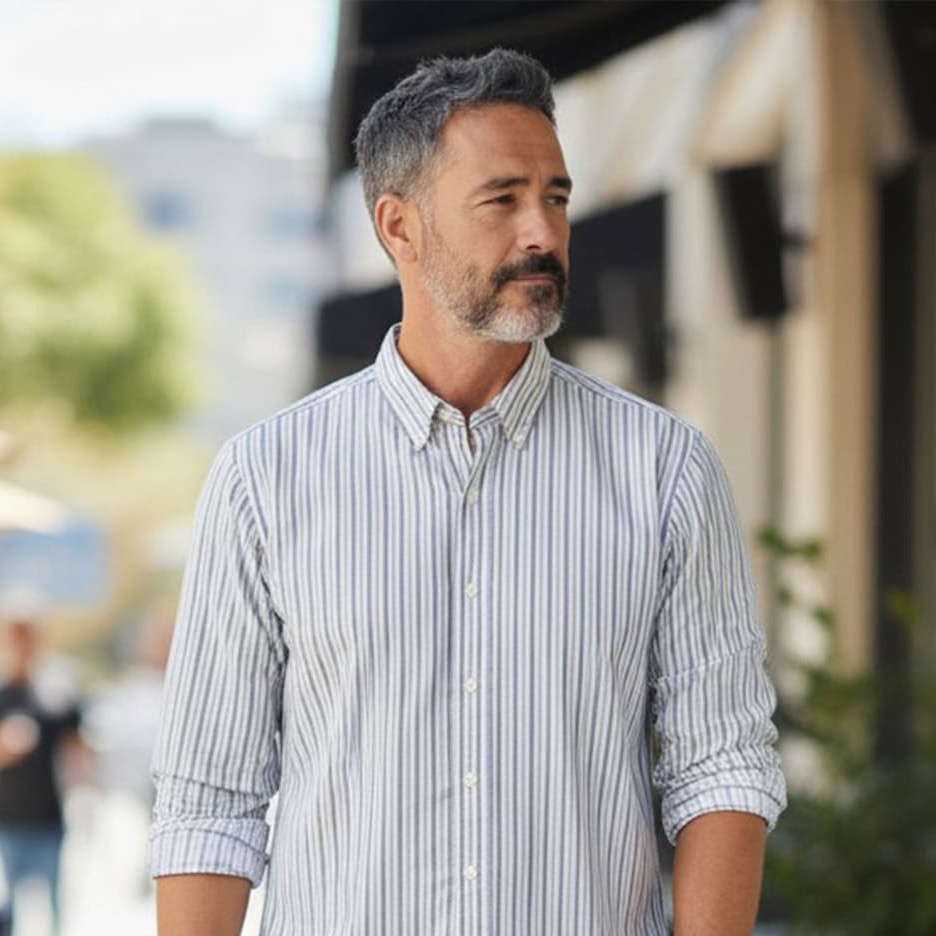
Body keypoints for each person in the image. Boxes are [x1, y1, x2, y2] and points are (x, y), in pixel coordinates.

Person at [150, 48, 786, 936]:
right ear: (399, 227)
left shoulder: (664, 468)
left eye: (556, 197)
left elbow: (721, 765)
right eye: (503, 199)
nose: (543, 232)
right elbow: (209, 802)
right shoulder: (267, 480)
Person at [0, 611, 81, 936]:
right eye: (16, 637)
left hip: (49, 819)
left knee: (55, 909)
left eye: (28, 637)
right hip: (7, 822)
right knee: (8, 911)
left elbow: (77, 746)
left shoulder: (54, 695)